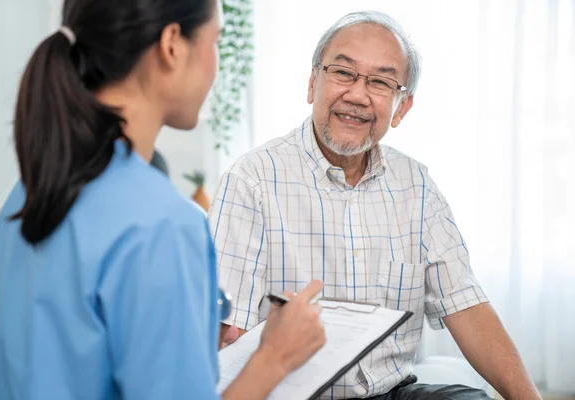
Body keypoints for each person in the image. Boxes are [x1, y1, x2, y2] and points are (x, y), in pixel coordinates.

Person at [0, 0, 326, 399]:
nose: (216, 66)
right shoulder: (161, 224)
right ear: (172, 44)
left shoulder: (26, 197)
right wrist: (275, 357)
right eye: (216, 41)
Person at [209, 11, 541, 400]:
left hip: (393, 392)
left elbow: (466, 305)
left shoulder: (416, 185)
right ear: (313, 81)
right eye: (343, 73)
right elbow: (225, 334)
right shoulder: (252, 180)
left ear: (401, 107)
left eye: (381, 82)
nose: (357, 94)